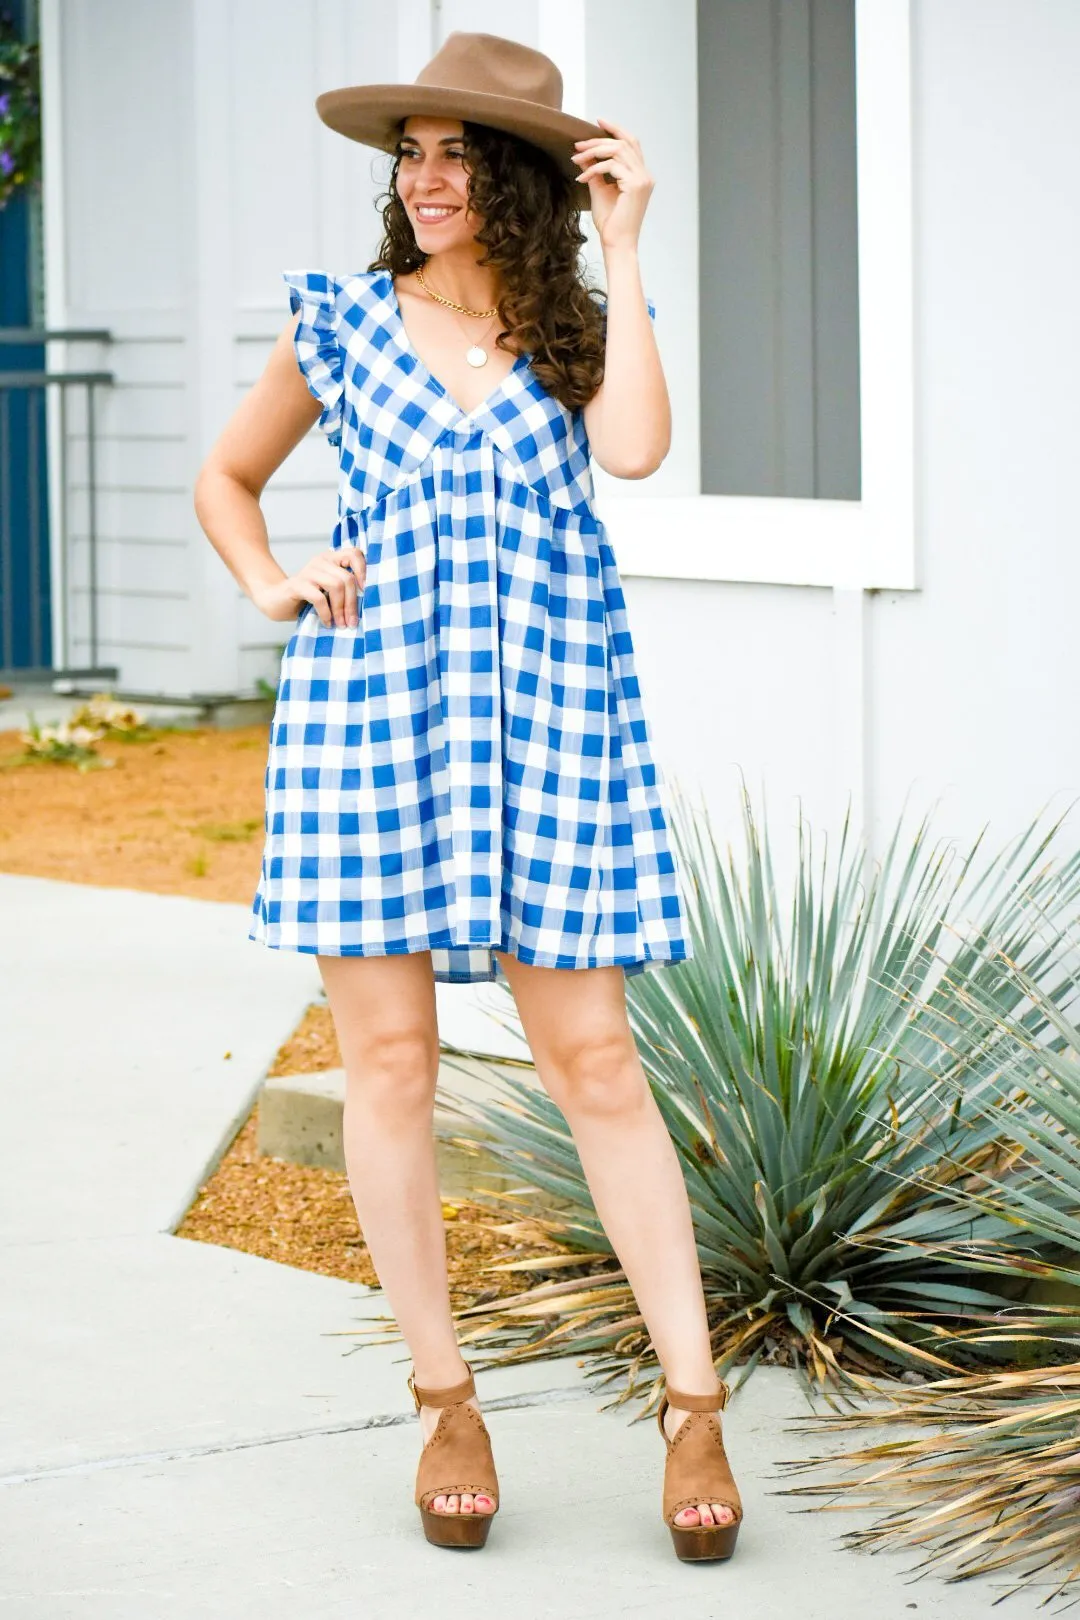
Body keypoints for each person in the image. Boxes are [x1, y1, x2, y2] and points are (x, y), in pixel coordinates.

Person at [193, 31, 741, 1561]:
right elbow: (226, 480)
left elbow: (634, 451)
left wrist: (626, 248)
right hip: (373, 716)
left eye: (456, 155)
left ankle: (691, 1407)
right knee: (388, 1067)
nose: (425, 181)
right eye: (410, 155)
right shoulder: (340, 322)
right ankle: (445, 1397)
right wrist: (275, 580)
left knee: (600, 1067)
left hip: (555, 720)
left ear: (515, 176)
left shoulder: (578, 327)